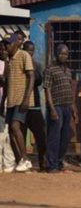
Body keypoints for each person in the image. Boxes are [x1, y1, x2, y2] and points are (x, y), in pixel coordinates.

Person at [44, 44, 77, 173]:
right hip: (56, 107)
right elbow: (47, 90)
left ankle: (59, 162)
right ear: (56, 54)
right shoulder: (50, 69)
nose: (63, 56)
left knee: (64, 138)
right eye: (61, 54)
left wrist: (73, 108)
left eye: (66, 54)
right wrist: (51, 109)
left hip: (66, 107)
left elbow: (69, 89)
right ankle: (51, 165)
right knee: (54, 137)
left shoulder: (68, 71)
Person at [4, 33, 34, 172]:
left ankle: (26, 159)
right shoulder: (9, 60)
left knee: (16, 127)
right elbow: (7, 83)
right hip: (11, 99)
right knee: (10, 131)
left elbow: (31, 76)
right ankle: (19, 161)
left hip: (21, 99)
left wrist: (27, 98)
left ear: (16, 43)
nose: (6, 46)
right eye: (5, 44)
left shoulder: (23, 55)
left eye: (8, 44)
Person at [22, 41, 47, 171]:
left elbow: (38, 80)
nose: (29, 53)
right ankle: (22, 162)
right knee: (21, 134)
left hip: (35, 105)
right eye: (27, 50)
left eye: (32, 51)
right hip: (21, 106)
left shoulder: (36, 65)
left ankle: (42, 162)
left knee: (41, 135)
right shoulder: (19, 63)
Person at [0, 41, 15, 173]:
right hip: (2, 101)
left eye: (5, 49)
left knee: (8, 134)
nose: (3, 51)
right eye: (1, 49)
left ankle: (9, 163)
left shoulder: (11, 63)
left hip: (8, 101)